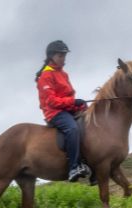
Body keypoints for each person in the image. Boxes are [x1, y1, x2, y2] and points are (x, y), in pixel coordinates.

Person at [36, 40, 89, 182]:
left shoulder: (63, 74)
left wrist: (79, 105)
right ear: (52, 56)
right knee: (72, 128)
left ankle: (90, 164)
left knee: (89, 122)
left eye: (64, 56)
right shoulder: (46, 76)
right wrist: (73, 102)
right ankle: (73, 167)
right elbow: (51, 101)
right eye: (61, 56)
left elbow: (67, 96)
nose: (63, 59)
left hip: (66, 109)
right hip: (54, 112)